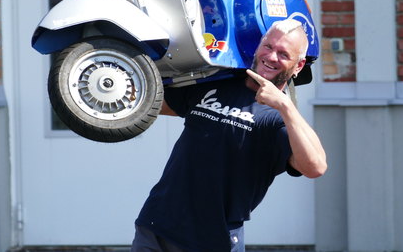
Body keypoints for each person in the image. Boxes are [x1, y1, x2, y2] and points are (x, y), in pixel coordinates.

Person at [131, 19, 328, 252]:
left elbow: (315, 167)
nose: (272, 56)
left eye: (284, 54)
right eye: (268, 46)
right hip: (157, 225)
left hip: (214, 240)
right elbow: (150, 103)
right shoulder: (217, 84)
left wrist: (286, 106)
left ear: (298, 65)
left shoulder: (279, 121)